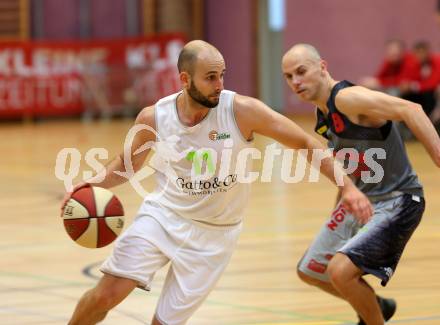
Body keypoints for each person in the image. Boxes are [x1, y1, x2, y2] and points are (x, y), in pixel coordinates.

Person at [62, 40, 372, 325]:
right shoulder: (154, 117)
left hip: (215, 236)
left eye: (222, 75)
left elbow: (305, 143)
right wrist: (88, 186)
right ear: (185, 79)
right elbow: (124, 166)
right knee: (105, 295)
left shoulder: (241, 111)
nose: (219, 85)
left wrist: (347, 186)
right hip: (163, 217)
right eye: (210, 77)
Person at [282, 43, 440, 325]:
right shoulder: (324, 117)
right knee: (310, 269)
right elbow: (352, 167)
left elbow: (411, 108)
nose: (295, 81)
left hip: (398, 199)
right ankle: (376, 306)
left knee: (340, 272)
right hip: (366, 200)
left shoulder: (347, 99)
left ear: (322, 67)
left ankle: (373, 319)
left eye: (301, 71)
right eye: (288, 76)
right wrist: (344, 197)